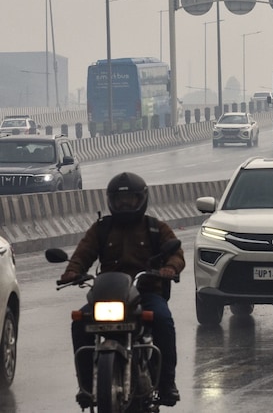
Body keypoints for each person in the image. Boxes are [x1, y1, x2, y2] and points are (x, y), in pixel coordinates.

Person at [59, 172, 185, 408]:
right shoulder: (101, 228)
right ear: (111, 201)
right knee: (79, 321)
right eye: (120, 200)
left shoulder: (155, 228)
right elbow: (83, 253)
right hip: (109, 294)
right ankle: (86, 386)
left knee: (163, 320)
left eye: (131, 200)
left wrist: (170, 267)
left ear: (142, 200)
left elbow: (176, 253)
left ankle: (167, 384)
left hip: (145, 292)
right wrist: (72, 271)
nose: (125, 204)